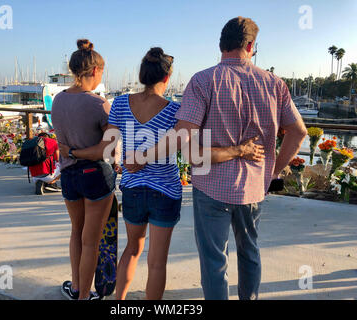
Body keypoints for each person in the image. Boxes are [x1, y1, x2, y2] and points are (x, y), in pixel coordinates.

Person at [59, 47, 265, 300]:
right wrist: (238, 150)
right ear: (167, 78)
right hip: (165, 191)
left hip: (133, 189)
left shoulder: (121, 103)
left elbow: (110, 144)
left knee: (132, 250)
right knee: (156, 262)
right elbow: (191, 149)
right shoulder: (175, 110)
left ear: (142, 75)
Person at [170, 17, 307, 300]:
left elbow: (184, 142)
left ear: (221, 44)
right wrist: (272, 170)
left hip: (211, 187)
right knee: (250, 251)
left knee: (214, 260)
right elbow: (298, 132)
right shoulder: (274, 84)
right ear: (250, 45)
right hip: (254, 187)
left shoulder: (202, 81)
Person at [51, 39, 117, 300]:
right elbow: (107, 150)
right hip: (95, 175)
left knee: (76, 233)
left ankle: (77, 287)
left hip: (68, 175)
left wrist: (72, 153)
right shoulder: (98, 104)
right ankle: (84, 297)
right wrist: (80, 152)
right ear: (94, 71)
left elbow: (63, 143)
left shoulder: (58, 100)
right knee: (91, 241)